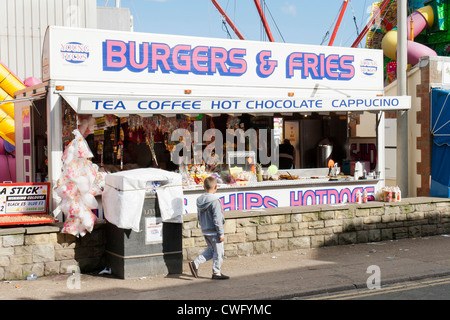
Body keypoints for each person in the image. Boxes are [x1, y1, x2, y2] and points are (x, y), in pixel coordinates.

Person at [189, 176, 229, 280]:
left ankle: (196, 263)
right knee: (219, 252)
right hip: (214, 231)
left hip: (205, 230)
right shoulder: (215, 201)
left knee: (212, 250)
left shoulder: (199, 200)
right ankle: (216, 273)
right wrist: (221, 233)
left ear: (204, 186)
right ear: (215, 187)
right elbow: (217, 218)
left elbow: (199, 215)